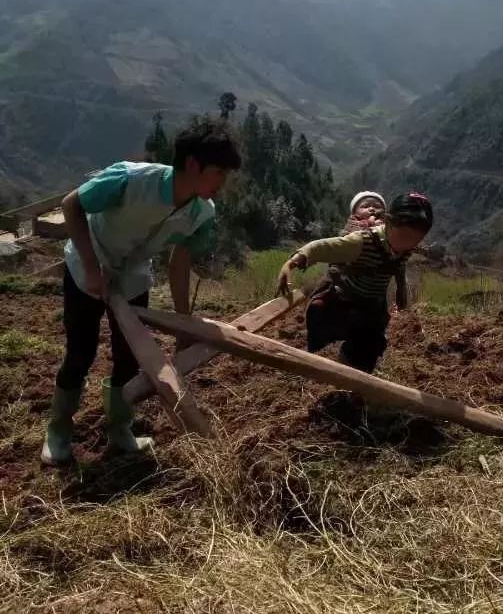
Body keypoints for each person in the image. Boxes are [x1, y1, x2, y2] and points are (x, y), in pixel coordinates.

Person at [41, 122, 241, 465]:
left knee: (128, 359)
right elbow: (71, 204)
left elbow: (180, 262)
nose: (222, 182)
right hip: (87, 264)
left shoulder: (201, 212)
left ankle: (120, 429)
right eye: (219, 171)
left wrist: (182, 323)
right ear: (192, 164)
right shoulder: (130, 179)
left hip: (131, 277)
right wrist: (91, 267)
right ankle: (58, 430)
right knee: (80, 352)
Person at [277, 192, 433, 374]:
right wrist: (290, 264)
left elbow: (399, 268)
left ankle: (352, 373)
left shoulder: (404, 249)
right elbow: (322, 247)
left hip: (373, 304)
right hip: (346, 296)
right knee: (319, 316)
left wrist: (401, 295)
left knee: (370, 346)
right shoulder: (361, 241)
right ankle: (315, 361)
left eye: (414, 241)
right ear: (389, 222)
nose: (407, 245)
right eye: (404, 238)